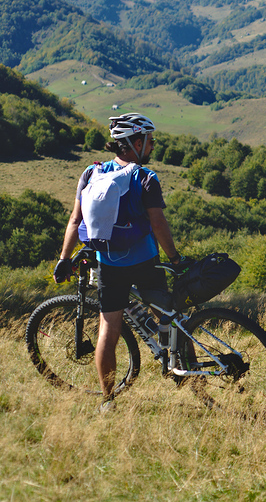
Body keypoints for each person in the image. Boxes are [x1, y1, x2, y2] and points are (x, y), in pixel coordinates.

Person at [53, 113, 184, 410]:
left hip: (109, 265)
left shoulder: (90, 174)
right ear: (136, 143)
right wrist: (175, 259)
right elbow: (159, 224)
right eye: (149, 142)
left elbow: (76, 220)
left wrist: (64, 258)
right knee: (169, 316)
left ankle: (108, 400)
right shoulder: (145, 177)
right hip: (146, 261)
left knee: (108, 331)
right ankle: (178, 365)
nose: (152, 146)